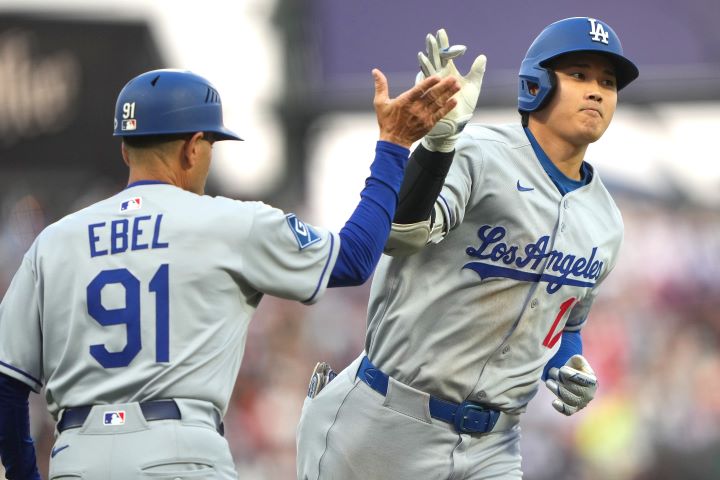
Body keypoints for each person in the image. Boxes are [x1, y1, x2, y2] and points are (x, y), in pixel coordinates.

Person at [0, 67, 460, 479]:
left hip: (77, 456)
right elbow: (355, 257)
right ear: (192, 148)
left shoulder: (53, 242)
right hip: (179, 455)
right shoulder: (229, 223)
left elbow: (7, 383)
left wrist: (24, 474)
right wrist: (394, 145)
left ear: (125, 150)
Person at [296, 17, 639, 479]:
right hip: (386, 422)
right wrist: (437, 147)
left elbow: (565, 322)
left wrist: (567, 364)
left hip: (494, 444)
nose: (596, 92)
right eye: (579, 75)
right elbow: (400, 234)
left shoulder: (606, 220)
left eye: (607, 82)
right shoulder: (478, 154)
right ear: (535, 84)